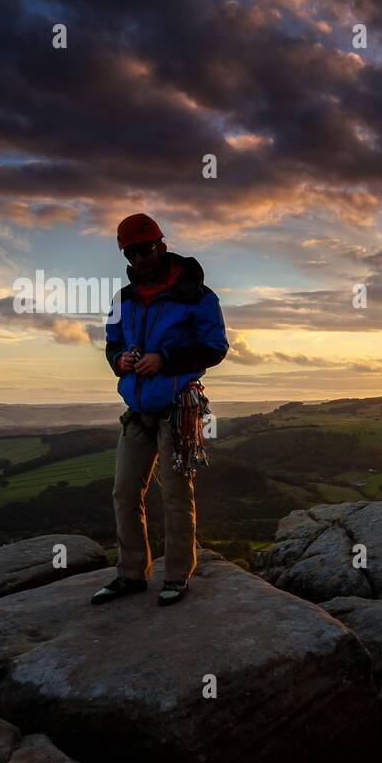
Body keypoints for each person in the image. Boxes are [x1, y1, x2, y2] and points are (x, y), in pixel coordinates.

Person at [91, 213, 229, 607]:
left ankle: (176, 576)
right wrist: (121, 362)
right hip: (137, 408)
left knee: (174, 494)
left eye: (145, 250)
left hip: (176, 408)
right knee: (124, 492)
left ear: (162, 246)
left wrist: (164, 359)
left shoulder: (196, 295)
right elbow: (112, 345)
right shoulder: (124, 299)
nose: (140, 259)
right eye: (131, 253)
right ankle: (131, 574)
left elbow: (214, 348)